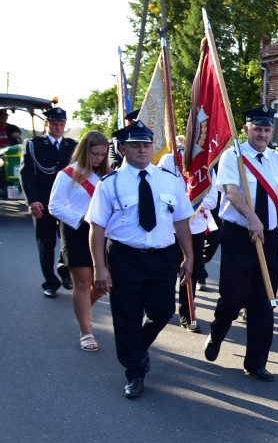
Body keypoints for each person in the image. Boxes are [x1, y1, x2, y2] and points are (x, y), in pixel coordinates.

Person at [87, 120, 194, 399]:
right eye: (135, 145)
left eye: (146, 145)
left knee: (162, 312)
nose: (142, 150)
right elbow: (96, 227)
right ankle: (134, 372)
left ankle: (139, 347)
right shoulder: (109, 184)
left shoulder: (169, 180)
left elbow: (182, 220)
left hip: (162, 257)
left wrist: (189, 256)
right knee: (127, 318)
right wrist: (100, 267)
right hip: (125, 256)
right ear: (122, 149)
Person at [203, 105, 278, 382]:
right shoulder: (233, 157)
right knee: (233, 299)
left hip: (268, 238)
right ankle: (217, 333)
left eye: (267, 129)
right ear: (246, 129)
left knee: (264, 301)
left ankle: (256, 362)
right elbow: (232, 193)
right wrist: (251, 218)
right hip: (239, 235)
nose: (262, 134)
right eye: (257, 128)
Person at [48, 131, 111, 351]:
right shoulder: (67, 175)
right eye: (95, 154)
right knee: (83, 283)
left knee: (103, 284)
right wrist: (80, 218)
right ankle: (86, 331)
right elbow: (54, 206)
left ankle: (84, 311)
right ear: (85, 151)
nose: (99, 158)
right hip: (76, 230)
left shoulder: (107, 177)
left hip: (102, 232)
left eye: (103, 155)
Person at [19, 106, 76, 297]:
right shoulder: (34, 144)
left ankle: (64, 269)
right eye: (54, 124)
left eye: (61, 124)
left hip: (66, 203)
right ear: (47, 124)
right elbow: (27, 174)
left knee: (69, 242)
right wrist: (32, 200)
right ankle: (50, 282)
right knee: (46, 243)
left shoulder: (72, 146)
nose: (58, 128)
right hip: (42, 202)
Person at [158, 150, 217, 332]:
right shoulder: (169, 159)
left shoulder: (206, 164)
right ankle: (162, 310)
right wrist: (180, 205)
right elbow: (159, 189)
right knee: (167, 271)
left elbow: (212, 200)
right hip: (170, 227)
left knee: (191, 271)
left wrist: (189, 204)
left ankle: (188, 314)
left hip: (195, 228)